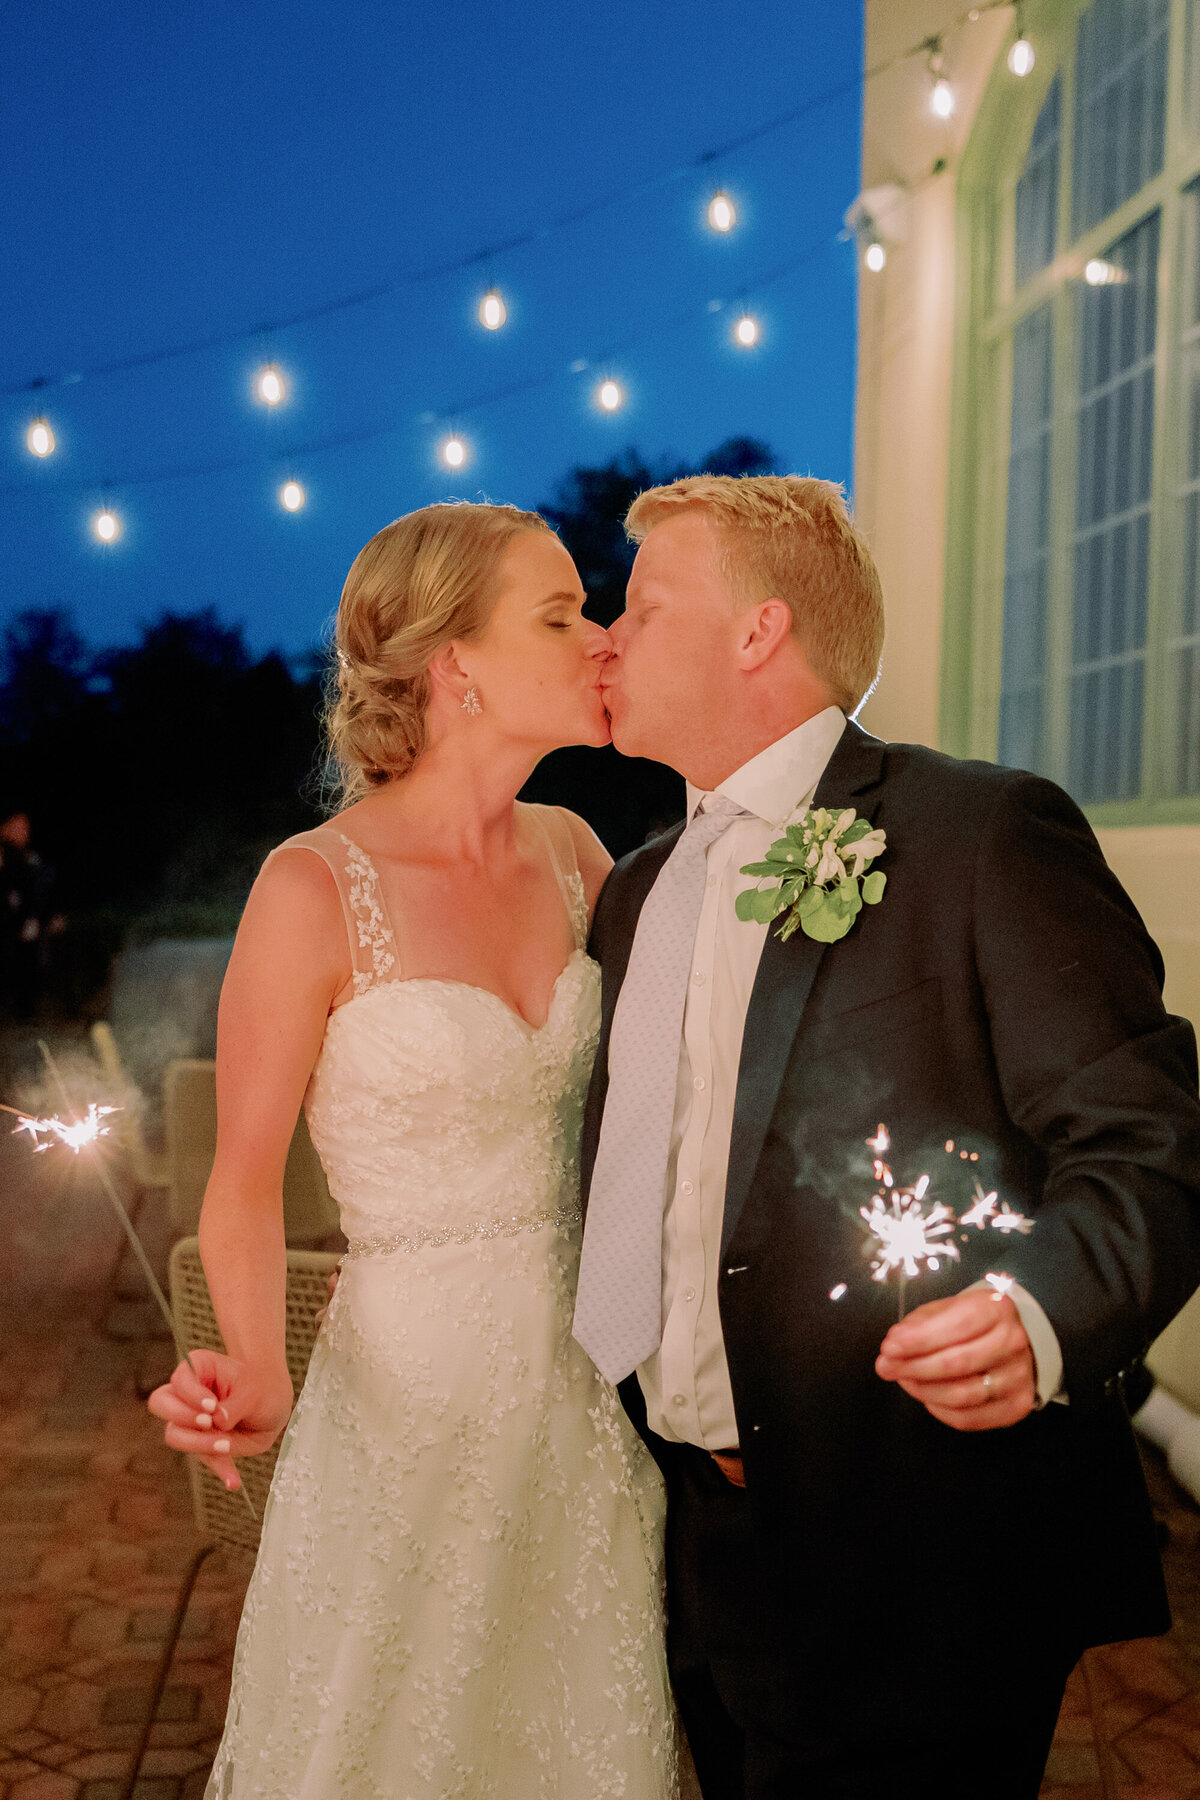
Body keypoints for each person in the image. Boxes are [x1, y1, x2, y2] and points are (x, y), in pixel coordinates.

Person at [572, 473, 1200, 1800]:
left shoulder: (976, 835)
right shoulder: (632, 896)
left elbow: (1150, 1140)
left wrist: (1038, 1313)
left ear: (758, 631)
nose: (606, 640)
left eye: (642, 604)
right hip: (690, 1540)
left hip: (918, 1552)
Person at [148, 502, 677, 1799]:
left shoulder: (578, 857)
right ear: (457, 668)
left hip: (589, 1397)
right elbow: (244, 1176)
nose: (600, 637)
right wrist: (256, 1365)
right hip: (407, 1407)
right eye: (560, 614)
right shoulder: (311, 888)